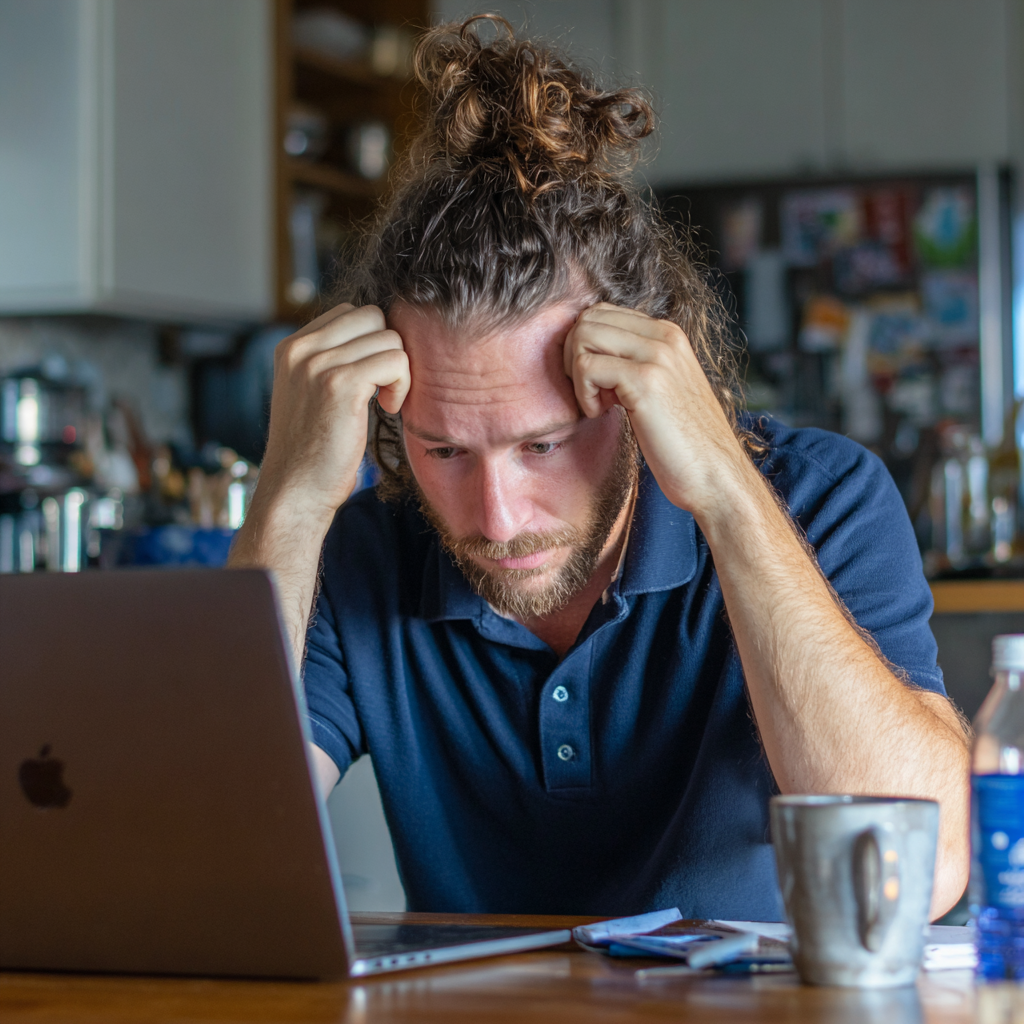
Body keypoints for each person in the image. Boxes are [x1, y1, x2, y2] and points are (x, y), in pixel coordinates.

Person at [230, 16, 969, 920]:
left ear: (636, 388)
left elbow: (917, 875)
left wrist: (729, 498)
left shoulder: (823, 497)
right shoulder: (358, 557)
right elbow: (203, 865)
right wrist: (292, 500)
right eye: (445, 449)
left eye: (542, 444)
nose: (496, 519)